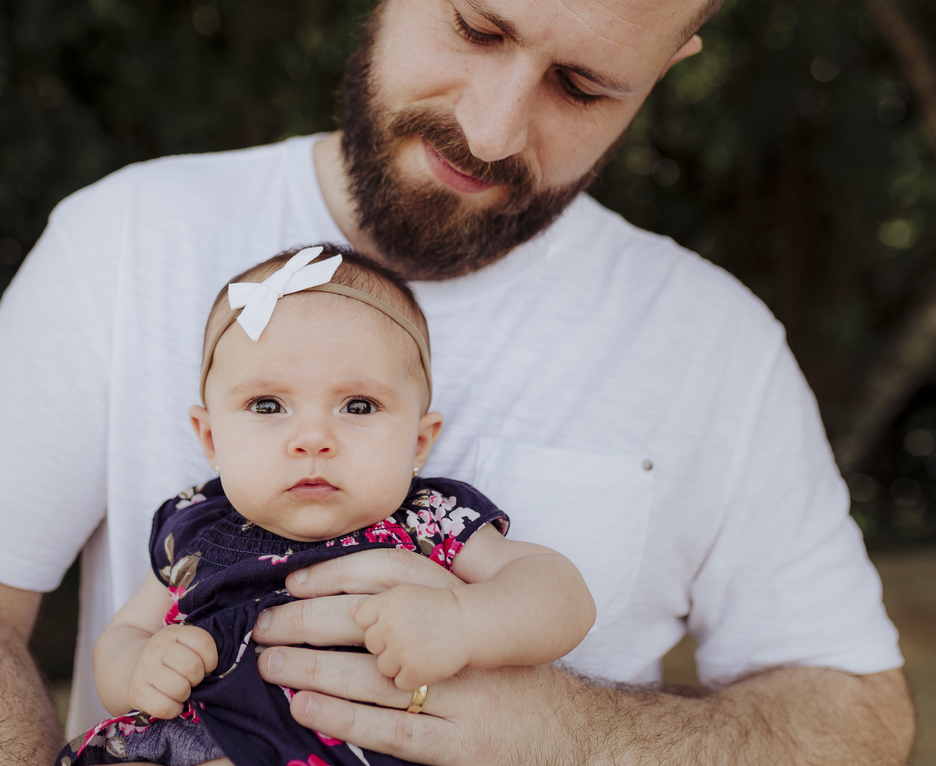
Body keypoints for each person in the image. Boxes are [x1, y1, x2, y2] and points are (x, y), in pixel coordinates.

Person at [0, 0, 917, 764]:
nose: (491, 129)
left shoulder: (716, 343)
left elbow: (858, 715)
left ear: (669, 62)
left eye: (584, 85)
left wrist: (576, 732)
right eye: (476, 25)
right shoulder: (130, 234)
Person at [63, 246, 595, 766]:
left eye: (358, 405)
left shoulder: (431, 518)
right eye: (267, 404)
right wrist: (138, 668)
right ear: (210, 437)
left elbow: (560, 592)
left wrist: (463, 622)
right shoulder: (195, 522)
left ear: (418, 441)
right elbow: (124, 635)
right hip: (196, 740)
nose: (312, 438)